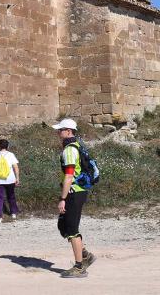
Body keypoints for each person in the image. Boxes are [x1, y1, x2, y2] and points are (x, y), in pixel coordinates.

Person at [52, 118, 96, 278]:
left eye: (60, 130)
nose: (58, 132)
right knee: (63, 225)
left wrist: (62, 198)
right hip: (78, 191)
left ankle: (79, 267)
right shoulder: (76, 146)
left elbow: (69, 176)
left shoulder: (69, 150)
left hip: (74, 192)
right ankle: (85, 255)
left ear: (68, 131)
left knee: (71, 229)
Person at [0, 138, 20, 223]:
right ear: (8, 146)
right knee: (11, 196)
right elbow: (15, 167)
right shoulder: (11, 155)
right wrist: (17, 178)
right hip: (10, 180)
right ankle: (13, 213)